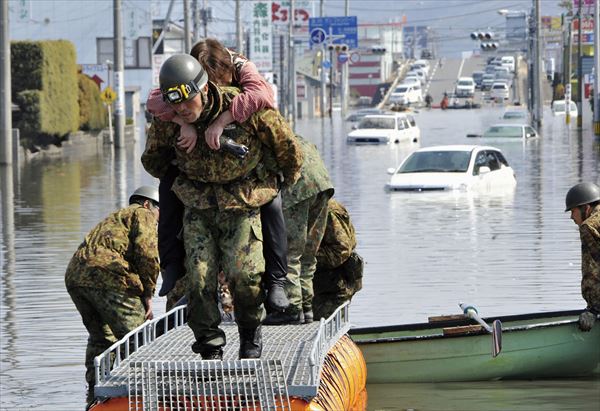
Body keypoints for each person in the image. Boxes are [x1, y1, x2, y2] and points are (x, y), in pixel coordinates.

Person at [142, 54, 303, 360]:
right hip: (198, 208)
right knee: (199, 280)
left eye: (187, 102)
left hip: (241, 205)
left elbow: (287, 147)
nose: (181, 109)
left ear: (204, 90)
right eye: (175, 105)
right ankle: (209, 345)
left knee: (244, 275)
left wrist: (279, 181)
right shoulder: (170, 118)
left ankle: (250, 336)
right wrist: (178, 136)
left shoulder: (241, 106)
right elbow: (152, 160)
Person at [64, 186, 160, 406]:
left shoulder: (115, 219)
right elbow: (147, 252)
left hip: (76, 277)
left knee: (102, 338)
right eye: (159, 210)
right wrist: (148, 292)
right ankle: (143, 395)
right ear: (147, 204)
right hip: (107, 276)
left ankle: (94, 395)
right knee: (140, 335)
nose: (159, 217)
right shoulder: (142, 213)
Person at [264, 137, 334, 325]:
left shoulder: (263, 138)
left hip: (298, 189)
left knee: (289, 253)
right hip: (322, 184)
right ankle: (307, 308)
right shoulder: (292, 135)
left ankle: (292, 309)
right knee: (308, 254)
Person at [312, 199, 364, 320]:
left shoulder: (327, 209)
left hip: (332, 287)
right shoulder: (311, 206)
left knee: (324, 330)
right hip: (319, 285)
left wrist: (304, 257)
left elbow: (341, 251)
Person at [564, 182, 600, 332]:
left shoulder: (588, 226)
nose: (572, 217)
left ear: (586, 208)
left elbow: (593, 271)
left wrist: (594, 309)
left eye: (573, 211)